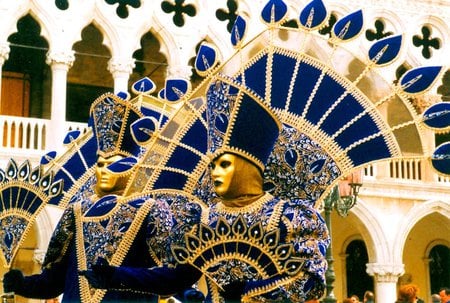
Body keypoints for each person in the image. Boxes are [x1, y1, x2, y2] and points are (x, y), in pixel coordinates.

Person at [80, 82, 330, 302]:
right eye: (212, 166)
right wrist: (115, 275)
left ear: (247, 167)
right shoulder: (205, 221)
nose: (215, 173)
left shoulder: (293, 218)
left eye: (224, 164)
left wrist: (248, 290)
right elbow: (174, 278)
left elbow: (309, 283)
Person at [2, 93, 174, 302]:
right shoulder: (77, 211)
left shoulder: (152, 209)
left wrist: (118, 277)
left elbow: (168, 277)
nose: (103, 170)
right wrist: (22, 284)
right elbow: (54, 281)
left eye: (113, 163)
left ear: (133, 167)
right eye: (100, 163)